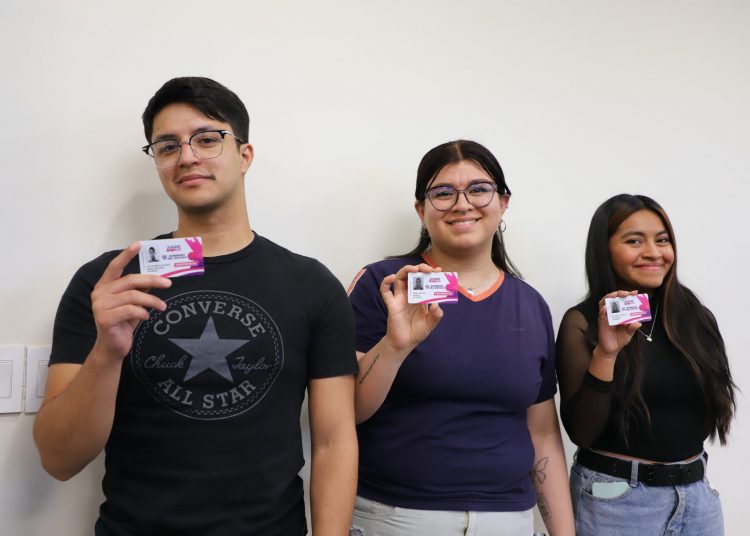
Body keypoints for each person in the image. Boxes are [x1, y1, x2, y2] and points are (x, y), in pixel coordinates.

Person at [33, 77, 358, 536]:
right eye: (167, 146)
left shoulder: (312, 284)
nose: (186, 156)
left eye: (207, 139)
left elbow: (334, 441)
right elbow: (58, 459)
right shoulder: (107, 283)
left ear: (245, 155)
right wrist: (107, 352)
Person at [347, 140, 575, 536]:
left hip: (508, 520)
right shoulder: (385, 284)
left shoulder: (530, 304)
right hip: (397, 517)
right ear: (421, 210)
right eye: (443, 193)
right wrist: (395, 346)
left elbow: (542, 434)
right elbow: (345, 411)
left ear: (503, 202)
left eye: (478, 189)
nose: (462, 204)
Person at [555, 194, 736, 536]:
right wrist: (606, 353)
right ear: (604, 249)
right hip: (617, 502)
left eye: (662, 240)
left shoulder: (694, 317)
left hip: (696, 499)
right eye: (634, 241)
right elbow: (581, 432)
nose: (653, 252)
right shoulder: (582, 322)